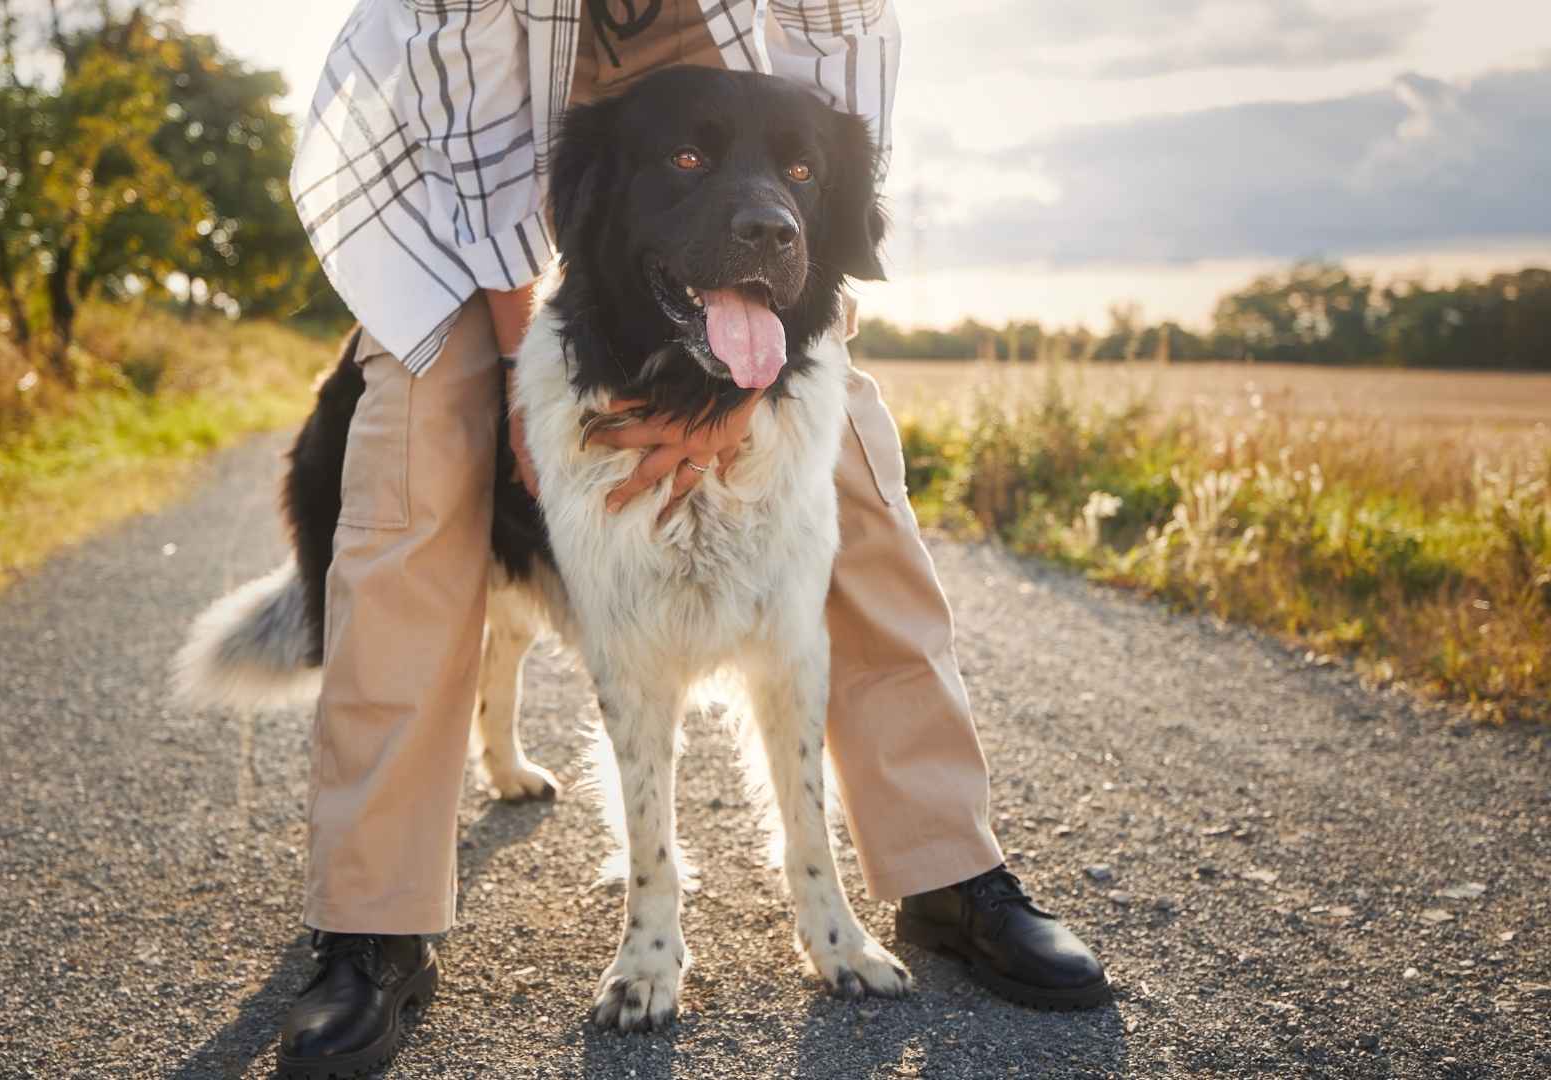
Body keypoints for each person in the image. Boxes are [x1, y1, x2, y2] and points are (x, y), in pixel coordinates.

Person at [277, 1, 1111, 1075]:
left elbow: (840, 115)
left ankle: (946, 868)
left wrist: (748, 395)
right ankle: (372, 916)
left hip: (707, 63)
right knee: (418, 458)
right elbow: (480, 171)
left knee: (845, 461)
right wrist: (553, 397)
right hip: (450, 155)